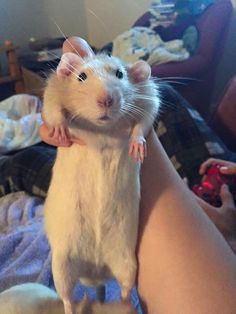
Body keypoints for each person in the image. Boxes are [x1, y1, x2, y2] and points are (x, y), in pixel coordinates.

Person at [1, 37, 236, 313]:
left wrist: (137, 133)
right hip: (214, 180)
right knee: (166, 97)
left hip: (126, 175)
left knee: (26, 161)